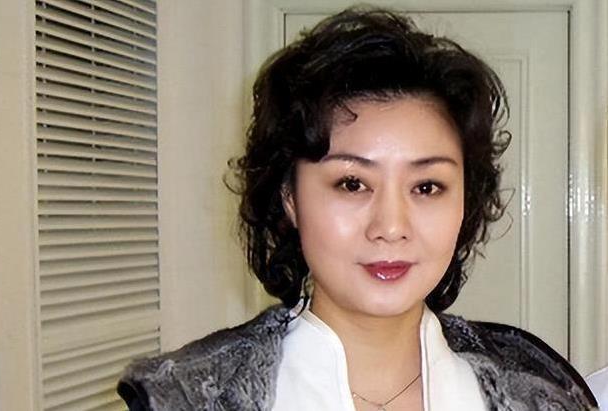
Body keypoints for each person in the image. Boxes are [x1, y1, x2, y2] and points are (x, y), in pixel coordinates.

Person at [117, 7, 597, 410]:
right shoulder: (187, 397)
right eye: (352, 183)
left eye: (427, 187)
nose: (391, 226)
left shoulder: (541, 392)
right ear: (289, 197)